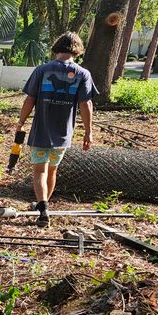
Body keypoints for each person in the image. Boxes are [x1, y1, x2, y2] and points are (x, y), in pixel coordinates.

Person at [15, 31, 97, 226]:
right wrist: (88, 132)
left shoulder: (42, 70)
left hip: (41, 132)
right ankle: (44, 206)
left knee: (39, 172)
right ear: (77, 50)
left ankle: (42, 207)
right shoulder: (83, 74)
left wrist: (20, 122)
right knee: (52, 172)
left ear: (57, 47)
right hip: (63, 135)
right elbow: (86, 105)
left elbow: (30, 99)